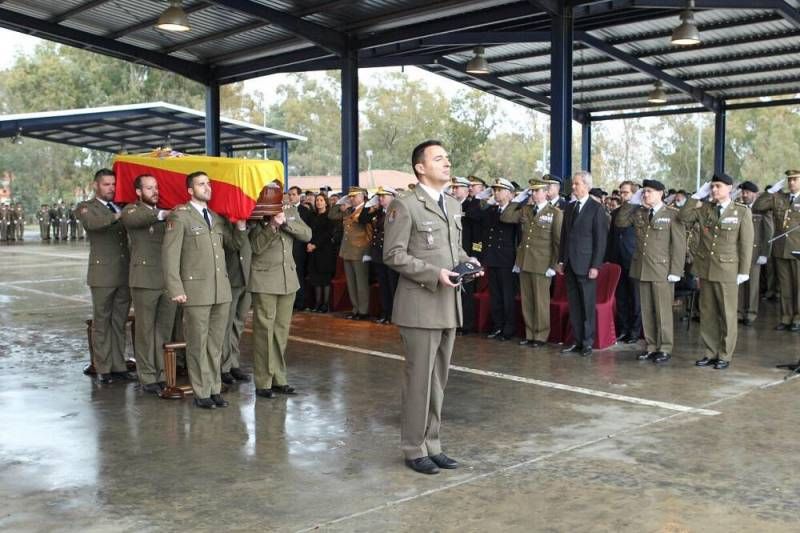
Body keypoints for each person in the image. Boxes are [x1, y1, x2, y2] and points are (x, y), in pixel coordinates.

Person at [384, 139, 475, 475]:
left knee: (438, 381)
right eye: (439, 159)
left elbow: (454, 250)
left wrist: (468, 261)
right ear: (420, 167)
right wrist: (434, 273)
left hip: (448, 304)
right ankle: (413, 447)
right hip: (420, 306)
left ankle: (432, 443)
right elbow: (393, 254)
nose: (447, 163)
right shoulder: (404, 205)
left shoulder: (451, 204)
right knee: (419, 380)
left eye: (448, 158)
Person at [162, 171, 247, 409]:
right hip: (196, 290)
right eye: (201, 184)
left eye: (209, 183)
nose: (207, 187)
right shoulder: (181, 216)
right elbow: (170, 255)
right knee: (197, 343)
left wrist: (240, 226)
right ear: (190, 190)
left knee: (216, 344)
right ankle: (201, 392)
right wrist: (175, 287)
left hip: (221, 290)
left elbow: (233, 245)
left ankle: (214, 388)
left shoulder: (216, 217)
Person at [679, 174, 754, 370]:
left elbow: (746, 244)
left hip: (728, 269)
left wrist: (744, 271)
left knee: (728, 314)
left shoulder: (741, 211)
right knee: (708, 313)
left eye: (718, 186)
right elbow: (683, 217)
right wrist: (696, 196)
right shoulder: (704, 209)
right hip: (706, 268)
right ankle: (710, 352)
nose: (714, 190)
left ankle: (725, 354)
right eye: (712, 187)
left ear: (729, 188)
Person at [615, 179, 686, 364]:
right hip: (642, 268)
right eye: (644, 192)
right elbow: (620, 222)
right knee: (646, 311)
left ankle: (665, 347)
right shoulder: (639, 212)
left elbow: (679, 245)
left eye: (650, 192)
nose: (646, 195)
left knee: (662, 311)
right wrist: (632, 202)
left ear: (661, 193)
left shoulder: (672, 214)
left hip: (662, 269)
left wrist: (676, 270)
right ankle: (652, 346)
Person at [120, 174, 177, 394]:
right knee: (145, 330)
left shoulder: (163, 213)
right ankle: (147, 376)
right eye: (149, 188)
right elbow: (136, 221)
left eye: (156, 187)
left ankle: (162, 374)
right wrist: (162, 214)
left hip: (166, 280)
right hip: (144, 279)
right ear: (138, 192)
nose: (155, 191)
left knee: (163, 330)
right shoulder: (132, 210)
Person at [75, 169, 132, 384]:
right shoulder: (85, 208)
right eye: (107, 184)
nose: (111, 188)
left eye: (113, 184)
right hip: (102, 275)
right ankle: (103, 367)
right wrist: (118, 215)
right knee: (102, 322)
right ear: (96, 186)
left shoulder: (120, 205)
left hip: (124, 272)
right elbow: (93, 224)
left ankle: (119, 365)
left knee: (119, 321)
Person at [249, 202, 311, 399]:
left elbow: (307, 234)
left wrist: (285, 224)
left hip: (288, 279)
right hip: (265, 279)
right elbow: (255, 247)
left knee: (281, 332)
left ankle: (279, 378)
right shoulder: (256, 210)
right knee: (264, 331)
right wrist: (272, 226)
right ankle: (263, 381)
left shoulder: (290, 210)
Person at [501, 177, 562, 346]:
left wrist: (553, 265)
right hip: (525, 261)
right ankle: (530, 334)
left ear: (546, 193)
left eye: (537, 191)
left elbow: (557, 242)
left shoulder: (555, 213)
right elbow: (506, 217)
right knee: (527, 300)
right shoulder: (526, 210)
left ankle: (541, 335)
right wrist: (517, 200)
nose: (534, 194)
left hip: (542, 264)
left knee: (541, 302)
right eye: (532, 191)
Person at [557, 170, 609, 357]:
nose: (573, 187)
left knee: (587, 305)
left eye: (577, 184)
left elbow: (600, 240)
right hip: (570, 263)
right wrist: (561, 260)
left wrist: (595, 265)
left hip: (586, 265)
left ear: (586, 186)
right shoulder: (570, 207)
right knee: (574, 305)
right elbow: (564, 236)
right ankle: (577, 340)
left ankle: (587, 342)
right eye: (573, 184)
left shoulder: (596, 209)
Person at [466, 177, 518, 341]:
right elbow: (473, 215)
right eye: (494, 190)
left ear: (509, 193)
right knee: (495, 296)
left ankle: (508, 329)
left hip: (507, 259)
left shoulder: (515, 210)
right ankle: (498, 326)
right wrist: (484, 197)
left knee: (507, 297)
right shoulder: (491, 210)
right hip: (492, 257)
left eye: (499, 190)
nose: (496, 193)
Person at [753, 170, 800, 331]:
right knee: (785, 286)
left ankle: (798, 319)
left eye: (795, 179)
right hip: (780, 249)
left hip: (798, 250)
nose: (791, 183)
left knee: (798, 286)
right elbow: (757, 206)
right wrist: (771, 191)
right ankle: (786, 318)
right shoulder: (780, 198)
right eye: (789, 180)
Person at [329, 186, 372, 319]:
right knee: (351, 283)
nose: (351, 198)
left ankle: (363, 311)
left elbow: (370, 233)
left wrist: (368, 252)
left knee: (361, 283)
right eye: (350, 196)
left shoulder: (366, 210)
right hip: (347, 250)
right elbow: (332, 215)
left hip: (360, 251)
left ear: (362, 196)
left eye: (354, 196)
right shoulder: (348, 210)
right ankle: (355, 309)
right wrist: (340, 202)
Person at [358, 186, 399, 324]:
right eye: (379, 196)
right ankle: (385, 312)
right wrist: (371, 205)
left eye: (383, 196)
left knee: (392, 285)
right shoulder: (379, 212)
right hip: (379, 254)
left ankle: (394, 314)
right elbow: (362, 219)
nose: (380, 198)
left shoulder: (397, 212)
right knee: (383, 285)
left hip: (391, 253)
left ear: (392, 197)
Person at [608, 180, 641, 344]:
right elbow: (611, 237)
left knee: (635, 298)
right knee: (621, 297)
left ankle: (635, 332)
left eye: (626, 192)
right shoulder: (615, 213)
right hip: (617, 260)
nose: (622, 195)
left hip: (633, 259)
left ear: (635, 194)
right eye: (621, 192)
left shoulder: (640, 211)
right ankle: (623, 329)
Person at [220, 220, 252, 385]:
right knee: (225, 325)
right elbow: (232, 244)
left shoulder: (251, 221)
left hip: (246, 277)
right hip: (230, 276)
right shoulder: (221, 220)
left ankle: (233, 363)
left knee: (238, 324)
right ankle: (223, 366)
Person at [737, 181, 773, 326]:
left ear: (755, 194)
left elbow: (768, 233)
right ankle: (738, 312)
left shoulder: (761, 211)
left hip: (754, 253)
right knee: (739, 285)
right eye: (743, 192)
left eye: (747, 193)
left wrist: (765, 253)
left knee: (752, 285)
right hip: (739, 253)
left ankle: (751, 314)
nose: (744, 195)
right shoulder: (738, 209)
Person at [450, 176, 477, 335]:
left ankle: (466, 324)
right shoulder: (452, 205)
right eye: (453, 187)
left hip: (467, 254)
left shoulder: (472, 205)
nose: (454, 190)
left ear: (467, 189)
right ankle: (456, 322)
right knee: (455, 290)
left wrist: (474, 254)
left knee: (466, 291)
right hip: (454, 254)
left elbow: (476, 234)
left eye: (457, 187)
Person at [307, 193, 338, 312]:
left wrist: (315, 245)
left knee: (324, 279)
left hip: (325, 251)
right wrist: (309, 244)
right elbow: (308, 231)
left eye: (321, 200)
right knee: (315, 278)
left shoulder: (329, 217)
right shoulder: (312, 216)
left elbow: (327, 234)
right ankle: (317, 303)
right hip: (313, 250)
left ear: (326, 202)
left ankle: (325, 304)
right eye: (317, 200)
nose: (318, 202)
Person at [287, 186, 312, 310]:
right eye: (289, 194)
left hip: (299, 248)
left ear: (299, 196)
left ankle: (300, 302)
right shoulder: (285, 209)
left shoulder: (305, 211)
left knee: (299, 275)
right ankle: (290, 302)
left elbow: (307, 230)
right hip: (287, 248)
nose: (291, 197)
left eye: (293, 194)